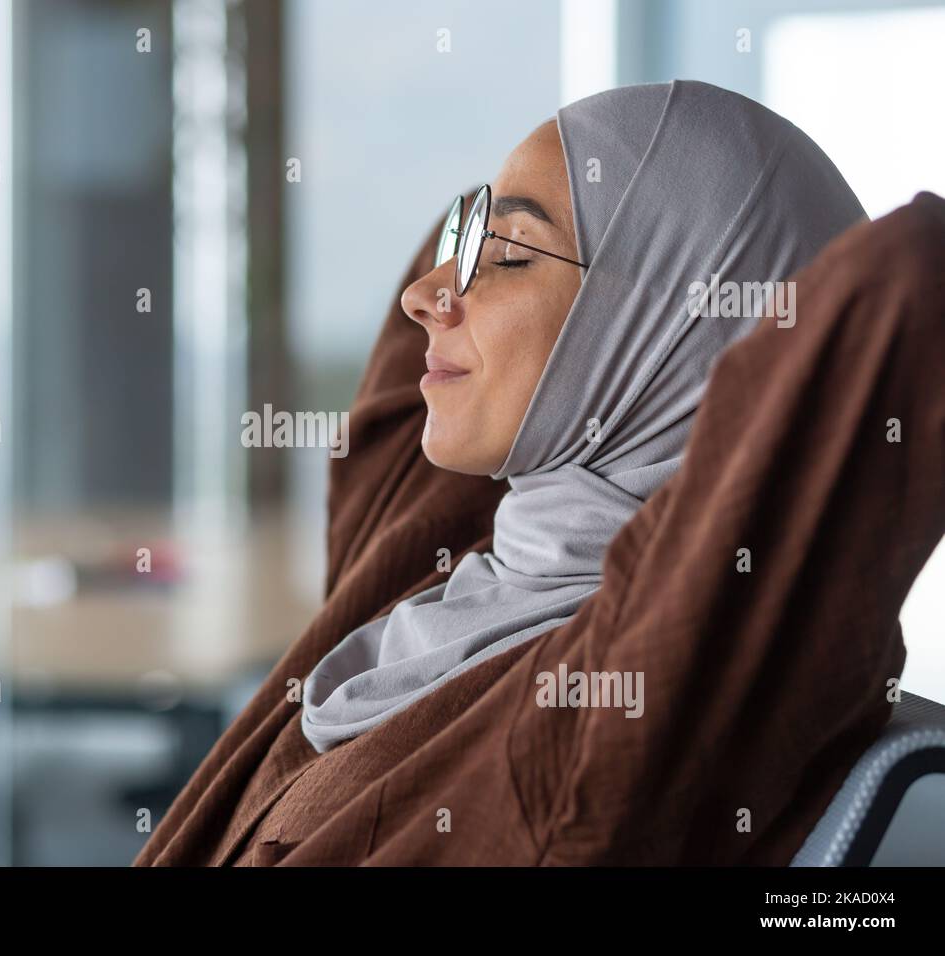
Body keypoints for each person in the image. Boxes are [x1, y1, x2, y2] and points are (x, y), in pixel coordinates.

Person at [133, 80, 945, 865]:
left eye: (513, 253)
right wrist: (515, 227)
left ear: (674, 329)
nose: (426, 294)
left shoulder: (619, 697)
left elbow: (910, 278)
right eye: (469, 243)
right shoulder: (436, 561)